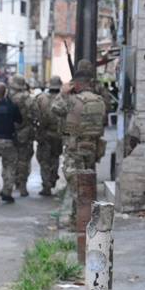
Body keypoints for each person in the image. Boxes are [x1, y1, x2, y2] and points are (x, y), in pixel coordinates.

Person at [52, 59, 106, 228]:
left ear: (76, 84)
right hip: (91, 148)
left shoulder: (73, 101)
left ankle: (82, 222)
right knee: (87, 182)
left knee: (77, 186)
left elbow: (55, 108)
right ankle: (83, 219)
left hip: (75, 148)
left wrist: (63, 92)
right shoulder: (99, 100)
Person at [8, 75, 36, 197]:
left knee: (12, 159)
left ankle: (12, 183)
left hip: (11, 131)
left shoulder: (10, 97)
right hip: (26, 131)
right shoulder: (29, 98)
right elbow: (35, 114)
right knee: (24, 160)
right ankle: (23, 186)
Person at [35, 76, 63, 196]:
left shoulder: (41, 98)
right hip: (58, 134)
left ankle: (46, 184)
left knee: (44, 160)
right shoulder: (64, 99)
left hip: (44, 133)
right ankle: (52, 178)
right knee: (55, 157)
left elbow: (35, 115)